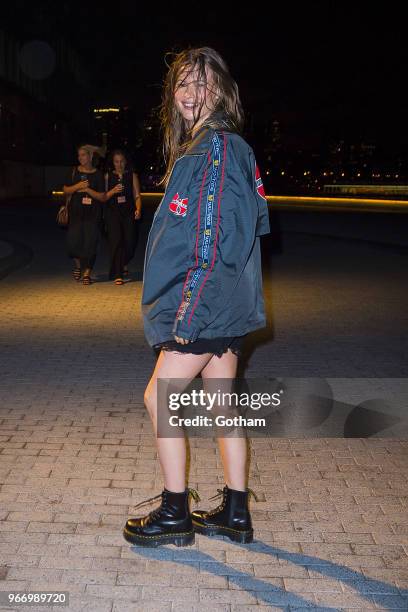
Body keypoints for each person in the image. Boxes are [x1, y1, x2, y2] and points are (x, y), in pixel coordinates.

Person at [123, 47, 270, 547]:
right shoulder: (217, 146)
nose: (188, 93)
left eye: (199, 83)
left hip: (206, 306)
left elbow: (216, 243)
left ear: (221, 89)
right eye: (181, 84)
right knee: (221, 405)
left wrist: (188, 316)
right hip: (224, 305)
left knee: (157, 399)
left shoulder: (216, 148)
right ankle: (234, 511)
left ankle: (174, 513)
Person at [63, 144, 105, 285]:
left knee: (90, 243)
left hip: (93, 215)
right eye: (79, 155)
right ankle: (78, 265)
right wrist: (78, 186)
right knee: (73, 244)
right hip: (75, 214)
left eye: (84, 155)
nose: (80, 158)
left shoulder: (98, 174)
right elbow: (66, 190)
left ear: (90, 156)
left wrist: (88, 190)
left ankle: (87, 272)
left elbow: (102, 197)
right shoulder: (74, 171)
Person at [104, 150, 142, 285]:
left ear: (125, 162)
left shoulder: (132, 176)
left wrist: (138, 209)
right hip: (113, 213)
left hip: (128, 213)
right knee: (117, 241)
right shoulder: (108, 176)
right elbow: (104, 197)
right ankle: (118, 273)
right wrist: (113, 191)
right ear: (113, 162)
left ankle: (123, 262)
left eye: (121, 161)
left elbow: (137, 196)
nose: (119, 164)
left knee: (130, 241)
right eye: (116, 161)